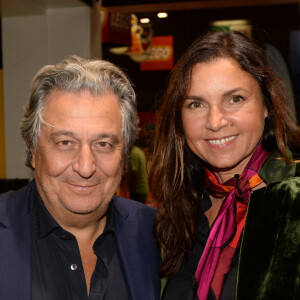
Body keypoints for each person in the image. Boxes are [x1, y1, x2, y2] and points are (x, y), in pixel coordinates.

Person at [149, 31, 300, 300]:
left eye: (235, 99)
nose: (215, 121)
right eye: (196, 104)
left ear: (267, 105)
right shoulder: (179, 210)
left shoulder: (293, 195)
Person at [0, 55, 161, 300]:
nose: (86, 167)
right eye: (65, 143)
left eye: (104, 144)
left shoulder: (157, 234)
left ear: (124, 155)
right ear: (33, 150)